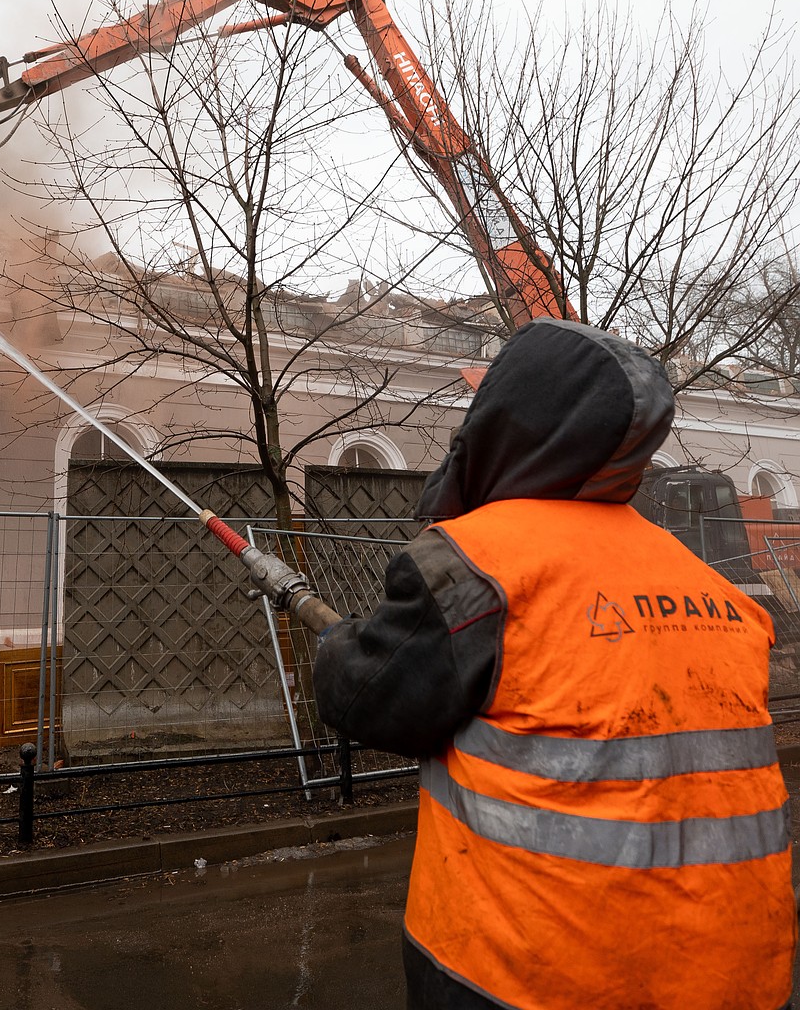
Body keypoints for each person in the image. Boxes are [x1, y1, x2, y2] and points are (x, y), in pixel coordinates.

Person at [313, 318, 797, 1010]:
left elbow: (368, 699)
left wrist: (337, 648)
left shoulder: (478, 564)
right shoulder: (707, 583)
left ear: (508, 423)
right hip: (740, 974)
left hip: (530, 976)